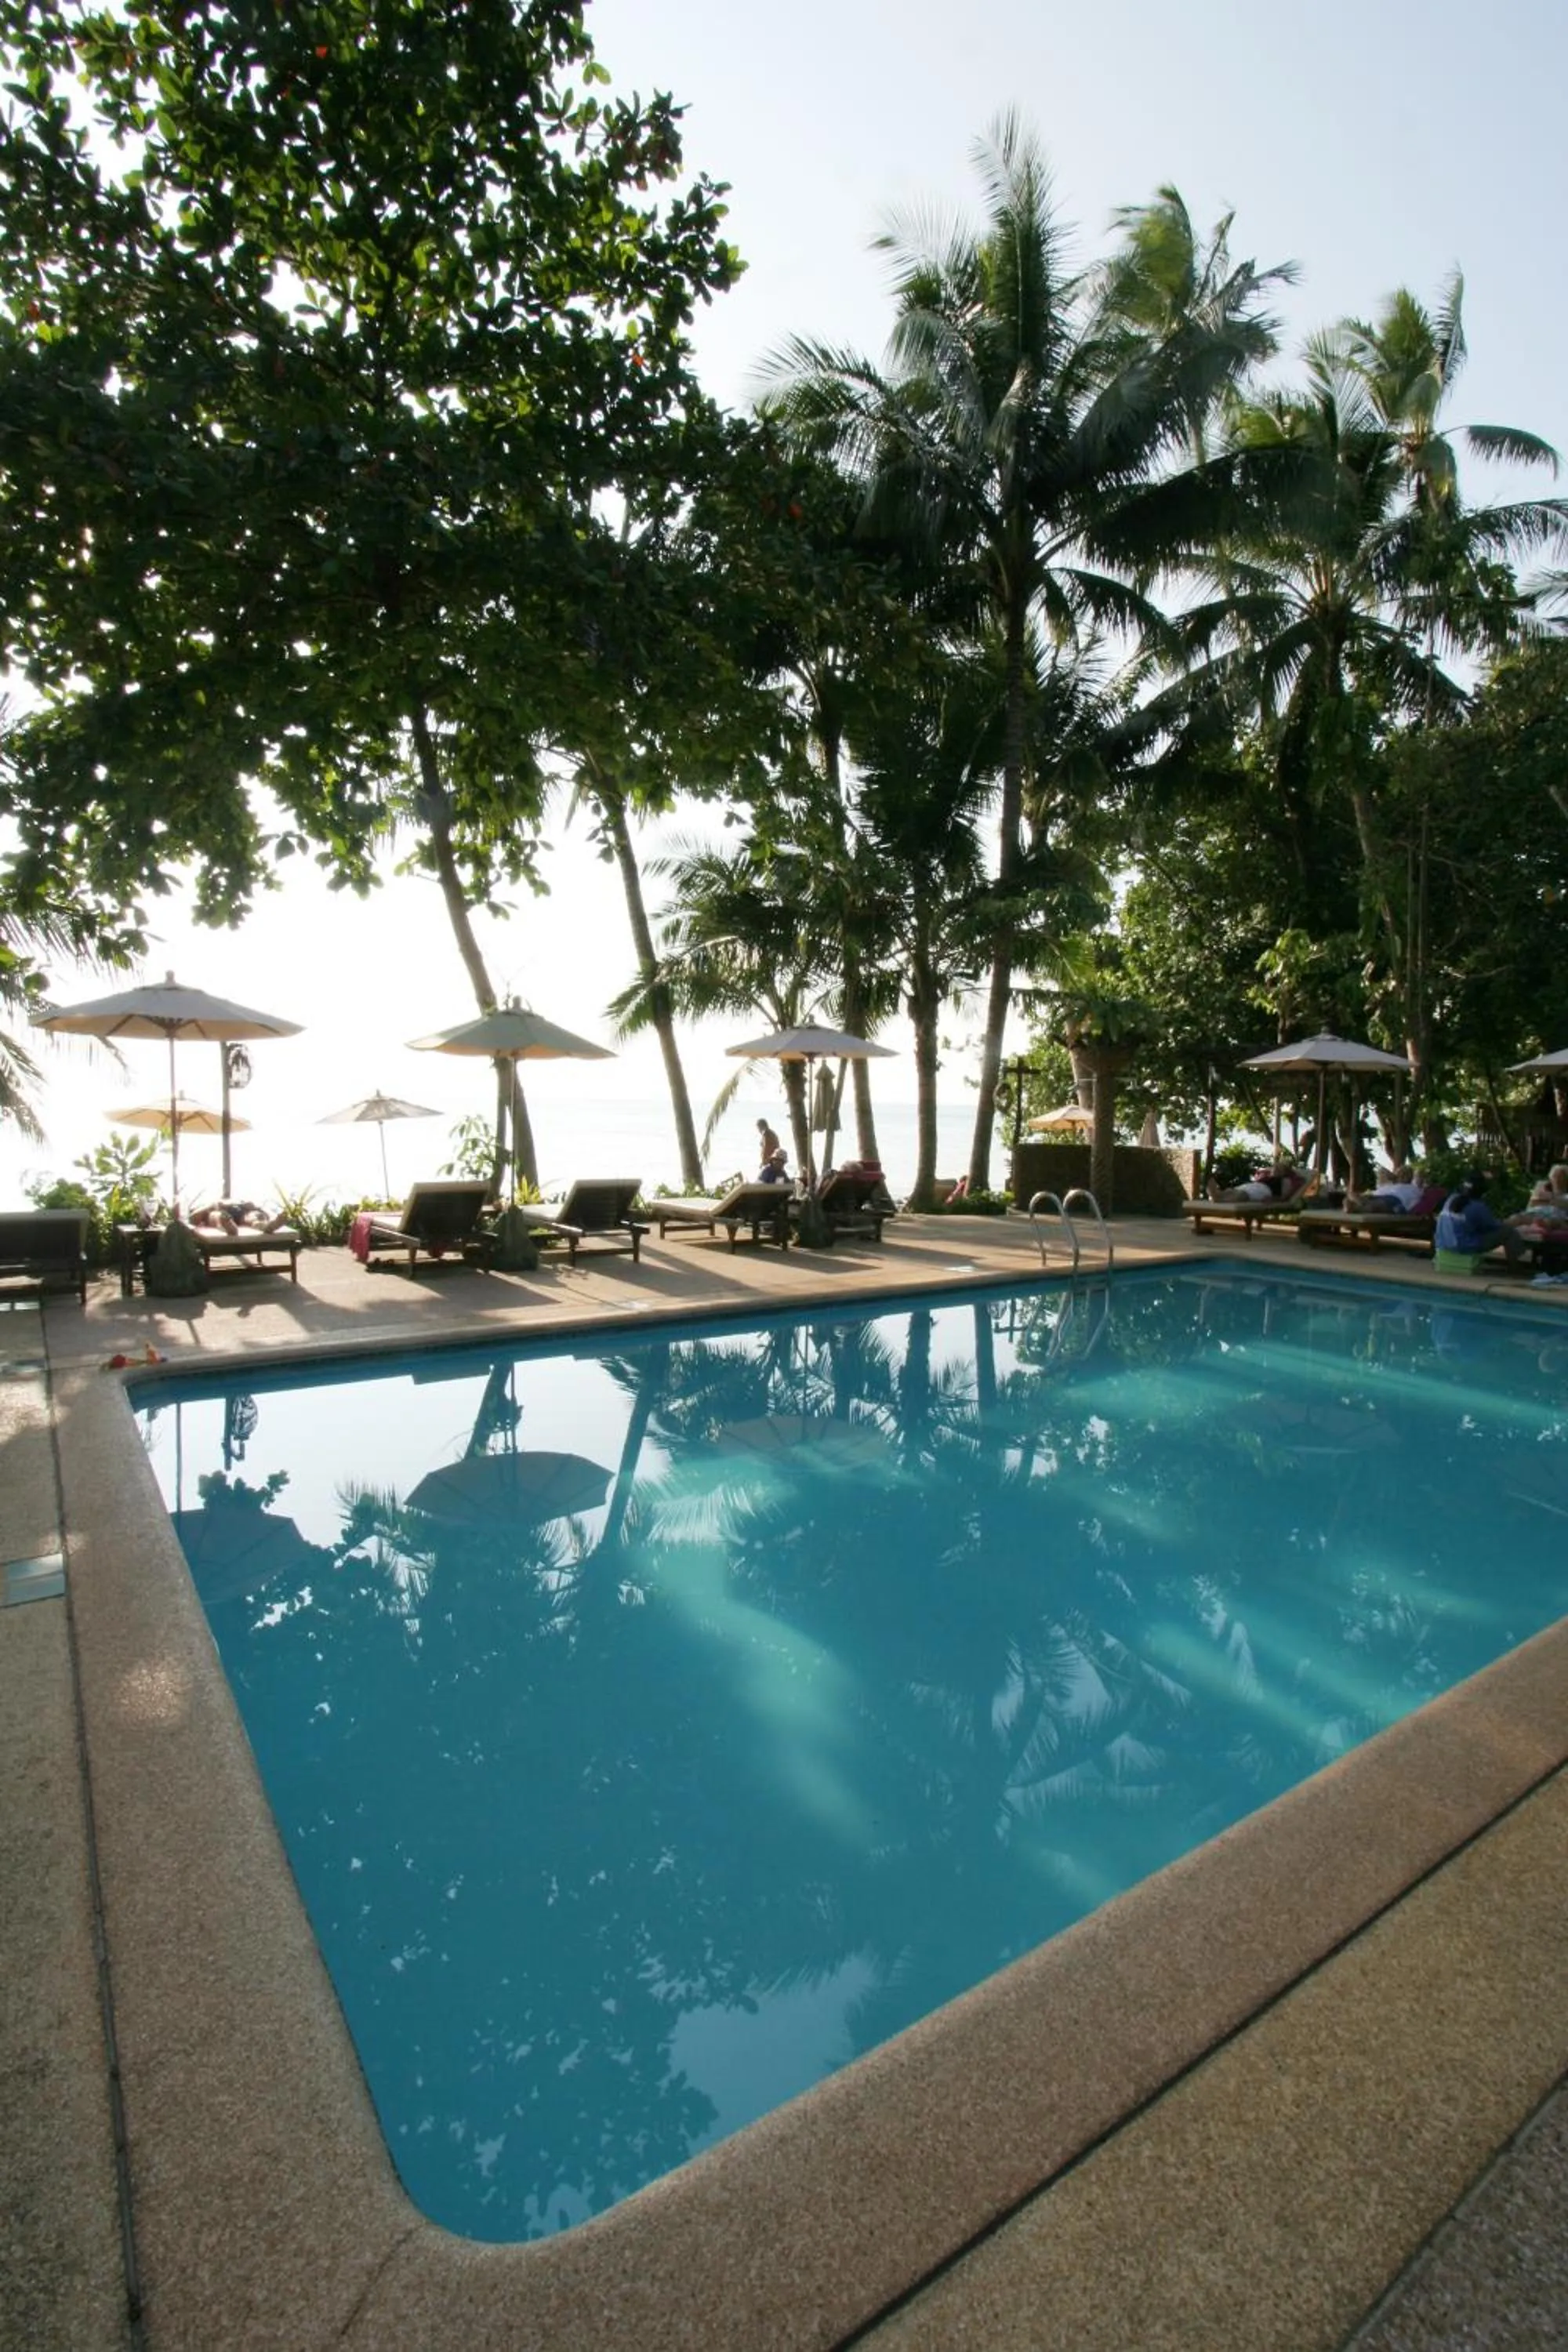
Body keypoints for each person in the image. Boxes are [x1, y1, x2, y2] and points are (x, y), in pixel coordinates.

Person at [1436, 1173, 1530, 1265]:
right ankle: (1515, 1265)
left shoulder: (1451, 1199)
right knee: (1508, 1232)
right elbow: (1492, 1226)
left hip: (1443, 1244)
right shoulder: (1477, 1206)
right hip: (1462, 1246)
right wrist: (1514, 1221)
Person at [1205, 1161, 1308, 1204]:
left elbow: (1285, 1197)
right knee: (1232, 1191)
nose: (1274, 1170)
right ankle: (1217, 1195)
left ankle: (1217, 1196)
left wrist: (1274, 1199)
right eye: (1274, 1168)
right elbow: (1260, 1172)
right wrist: (1268, 1172)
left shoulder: (1286, 1181)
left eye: (1278, 1169)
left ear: (1284, 1171)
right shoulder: (1266, 1177)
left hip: (1262, 1191)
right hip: (1253, 1186)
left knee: (1241, 1196)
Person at [191, 1197, 290, 1235]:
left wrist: (250, 1206)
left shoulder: (239, 1202)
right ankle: (229, 1226)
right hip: (221, 1212)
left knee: (252, 1218)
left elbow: (264, 1213)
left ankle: (268, 1226)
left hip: (241, 1211)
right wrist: (213, 1205)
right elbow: (194, 1218)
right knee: (216, 1215)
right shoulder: (206, 1207)